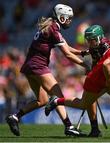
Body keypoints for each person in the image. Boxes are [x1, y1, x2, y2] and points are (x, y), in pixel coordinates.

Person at [45, 25, 110, 139]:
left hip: (108, 77)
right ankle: (56, 101)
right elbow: (106, 64)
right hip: (98, 79)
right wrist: (109, 78)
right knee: (83, 104)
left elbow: (108, 61)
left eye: (92, 40)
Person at [6, 4, 89, 137]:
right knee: (58, 97)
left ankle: (15, 117)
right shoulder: (53, 30)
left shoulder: (51, 27)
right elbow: (67, 54)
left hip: (29, 66)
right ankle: (69, 126)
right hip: (38, 66)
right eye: (68, 18)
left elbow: (67, 47)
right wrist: (86, 65)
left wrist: (83, 52)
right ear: (61, 17)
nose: (69, 21)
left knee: (42, 100)